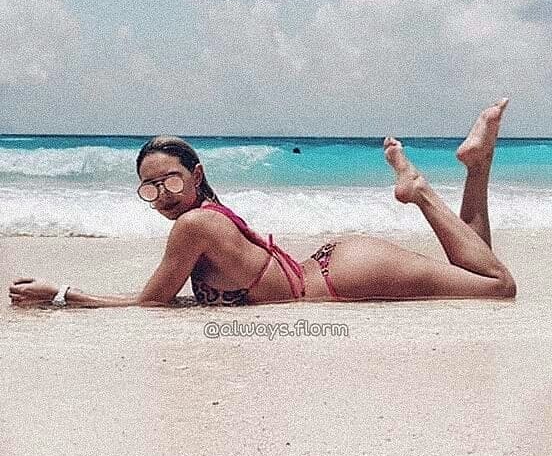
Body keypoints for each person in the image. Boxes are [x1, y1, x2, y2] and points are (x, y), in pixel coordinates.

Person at [8, 99, 516, 308]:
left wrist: (61, 295)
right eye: (150, 187)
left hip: (345, 276)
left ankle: (418, 189)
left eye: (170, 181)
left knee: (498, 288)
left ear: (196, 176)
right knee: (476, 273)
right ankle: (478, 165)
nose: (162, 196)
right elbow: (164, 299)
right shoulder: (203, 222)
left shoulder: (193, 226)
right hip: (337, 267)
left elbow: (147, 307)